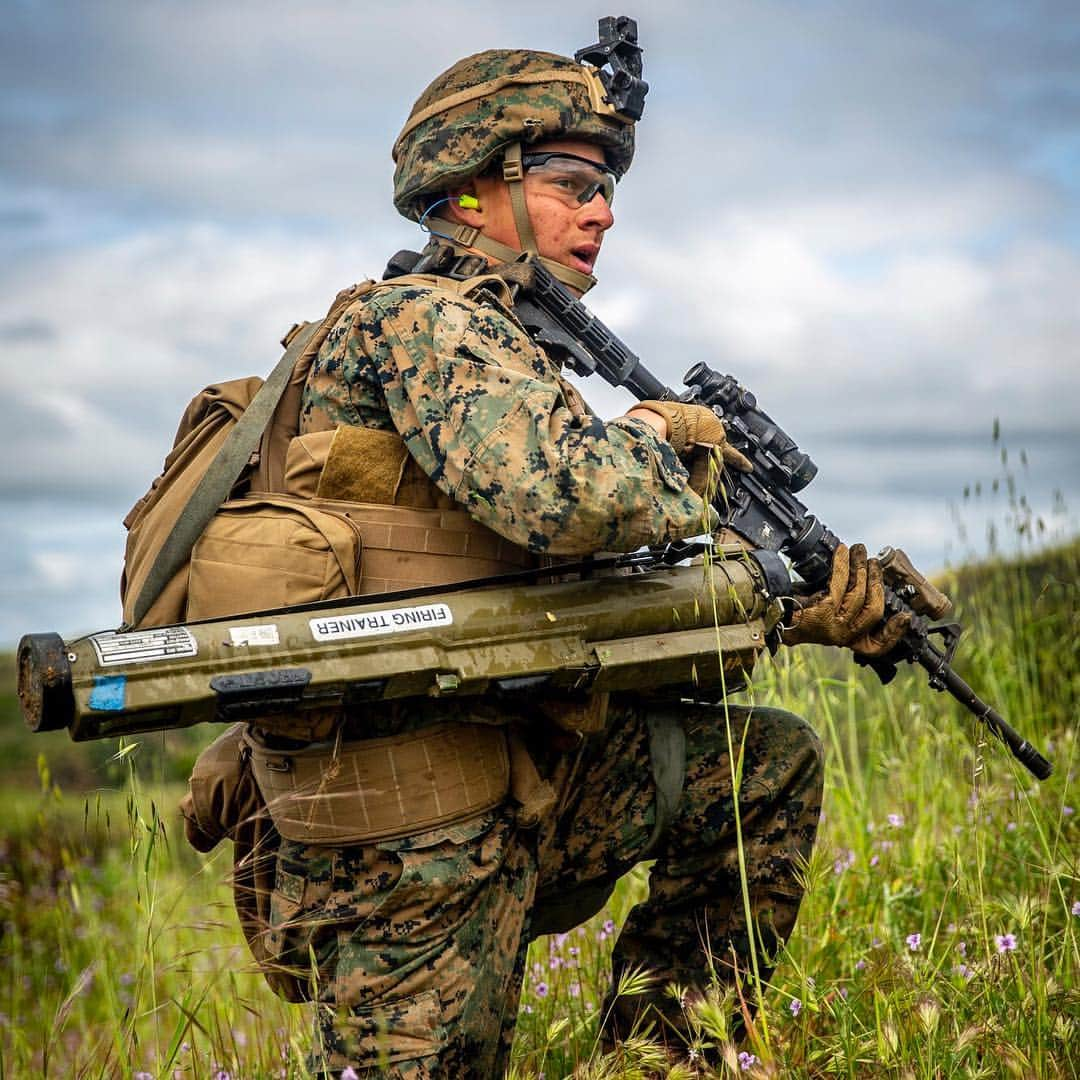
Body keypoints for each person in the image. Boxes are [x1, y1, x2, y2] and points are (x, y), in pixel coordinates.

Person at [189, 37, 906, 1079]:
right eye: (574, 184)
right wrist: (673, 438)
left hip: (507, 776)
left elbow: (568, 601)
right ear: (477, 191)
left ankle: (659, 1062)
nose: (603, 211)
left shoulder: (502, 346)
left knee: (765, 768)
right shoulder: (424, 321)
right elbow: (564, 497)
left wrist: (792, 613)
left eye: (607, 187)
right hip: (405, 833)